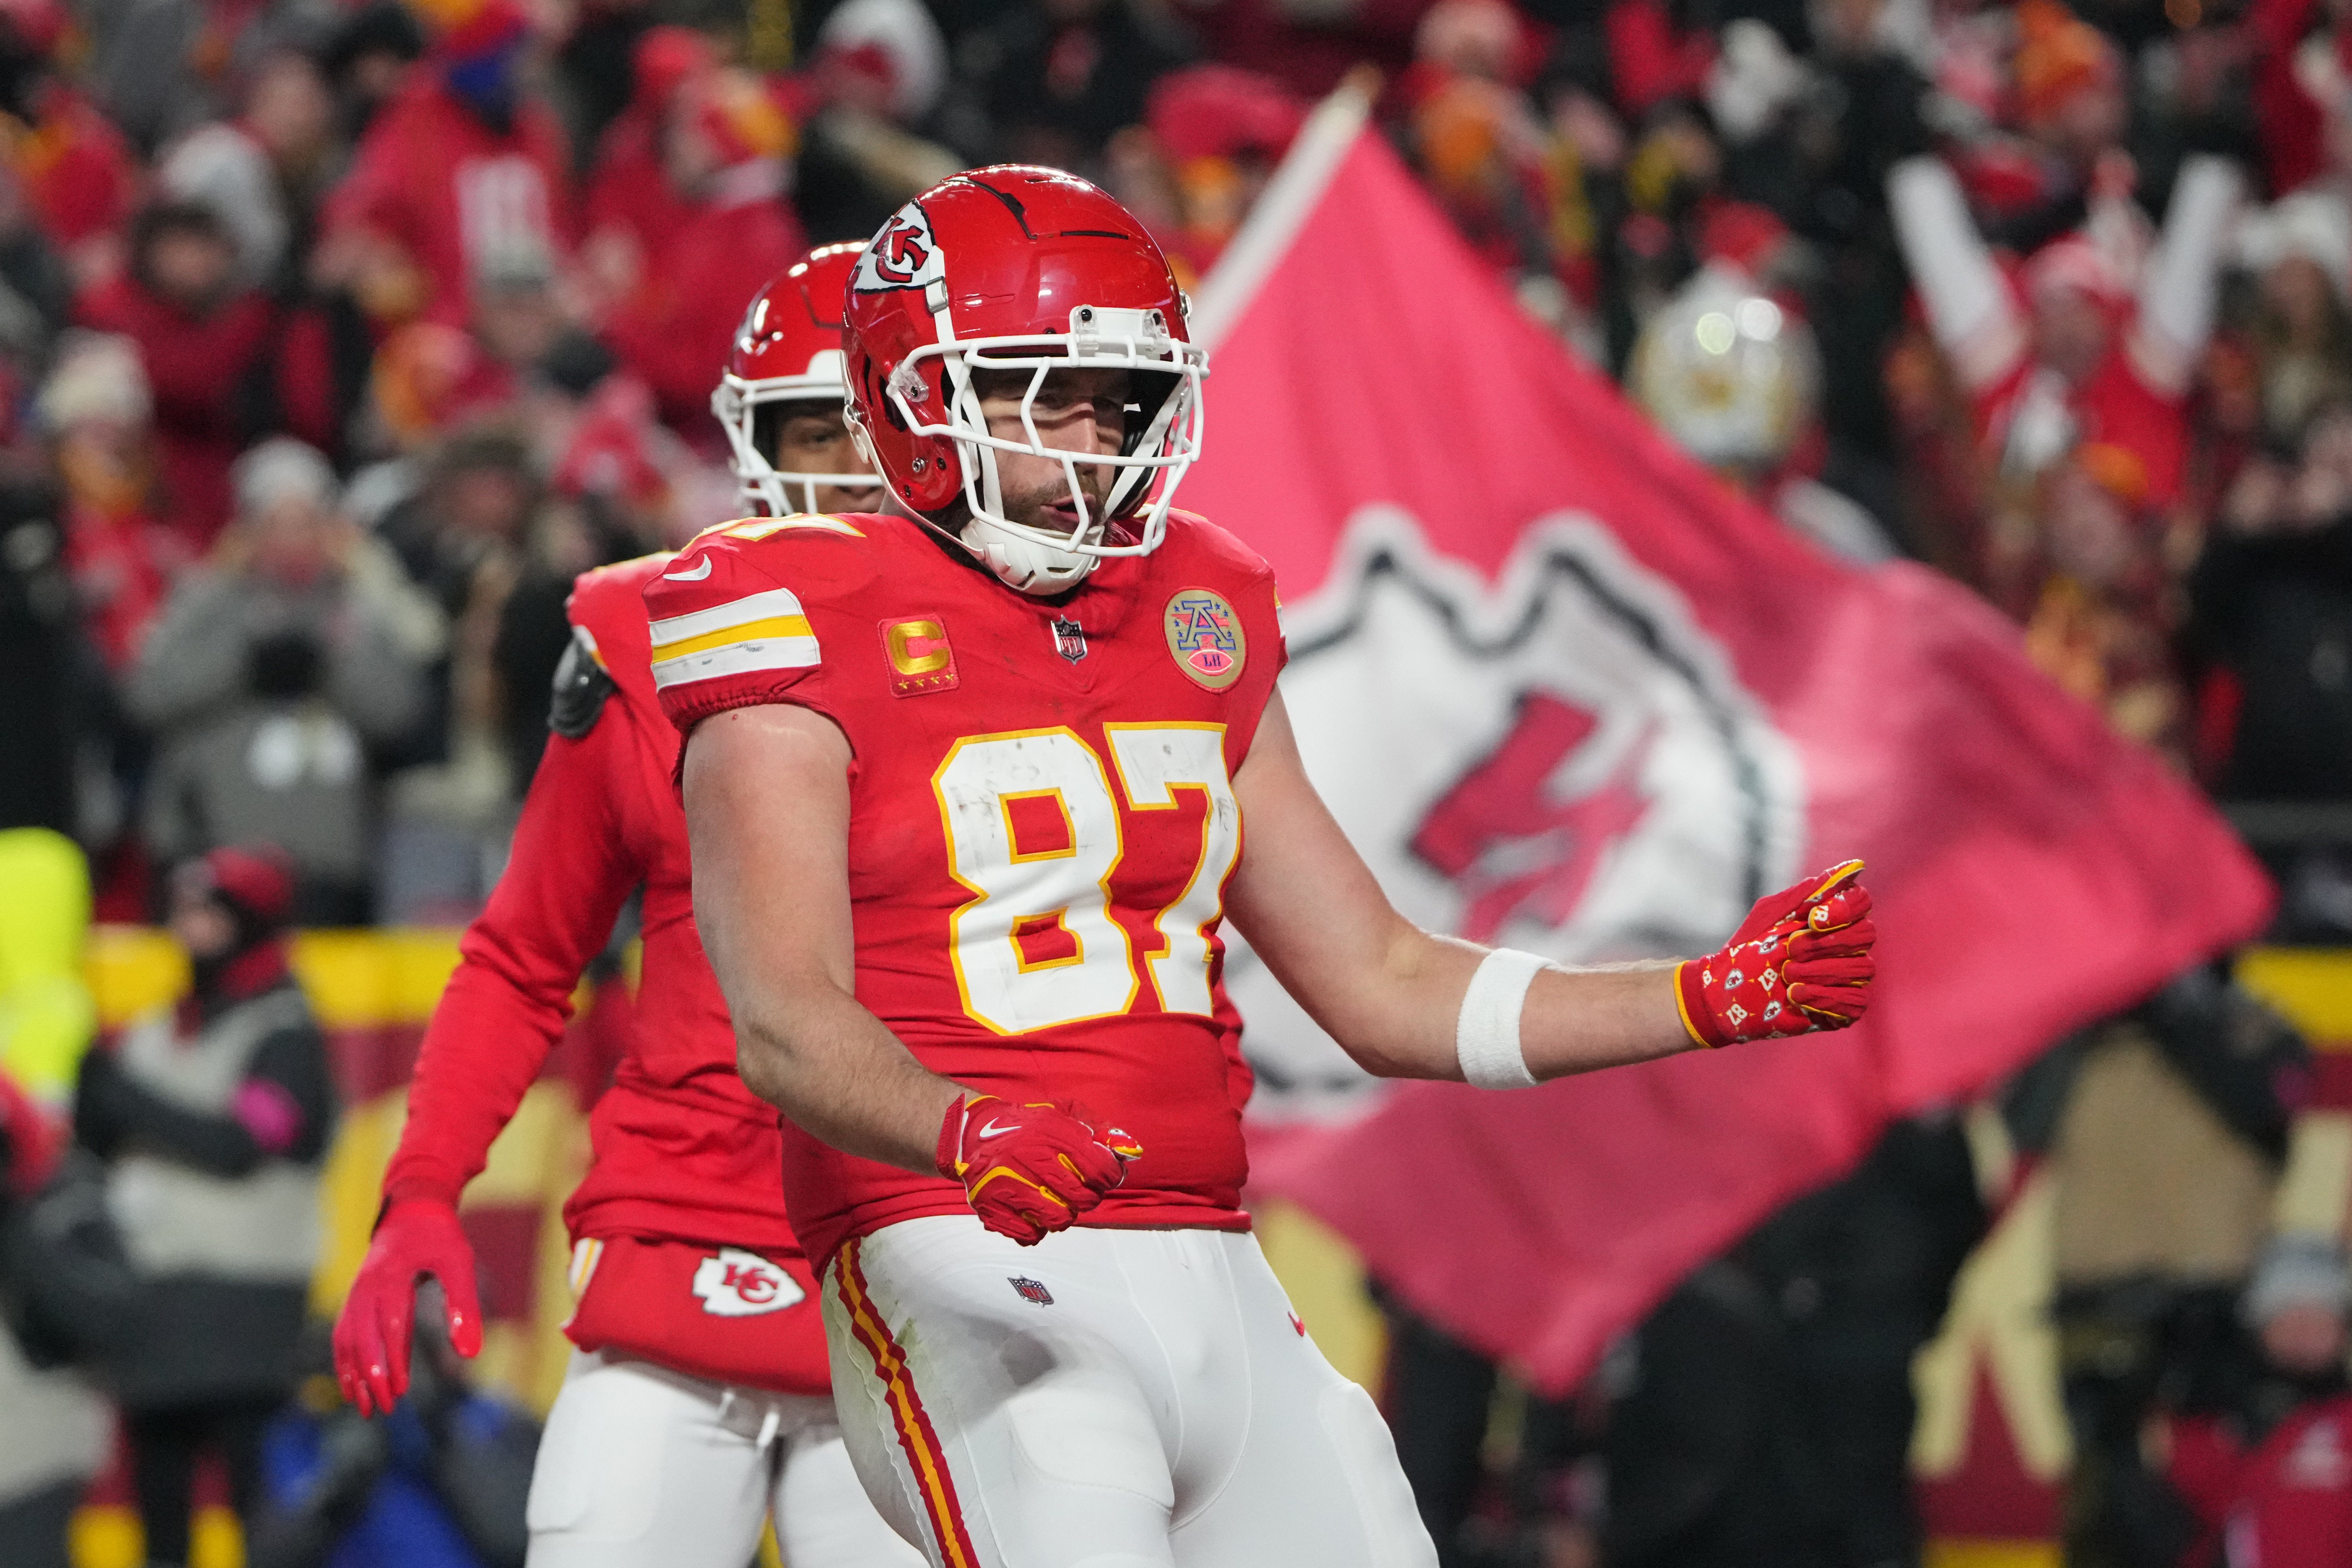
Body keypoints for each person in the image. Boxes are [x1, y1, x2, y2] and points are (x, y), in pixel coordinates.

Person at [650, 165, 1879, 1567]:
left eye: (1112, 405)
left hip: (1212, 1260)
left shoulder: (1194, 602)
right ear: (915, 398)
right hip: (955, 1247)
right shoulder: (790, 605)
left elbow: (1382, 980)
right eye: (1042, 395)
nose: (1091, 445)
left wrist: (1698, 998)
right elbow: (782, 1017)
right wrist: (961, 1126)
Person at [331, 246, 916, 1568]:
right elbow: (528, 950)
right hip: (681, 1226)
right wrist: (422, 1188)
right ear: (755, 443)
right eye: (815, 430)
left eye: (877, 427)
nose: (849, 469)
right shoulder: (652, 635)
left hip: (921, 1242)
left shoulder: (1030, 646)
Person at [75, 845, 337, 1568]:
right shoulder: (159, 1027)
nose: (188, 927)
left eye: (208, 913)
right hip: (157, 1299)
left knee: (262, 1507)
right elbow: (100, 1141)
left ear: (249, 922)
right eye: (182, 911)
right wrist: (91, 1094)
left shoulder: (283, 1030)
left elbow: (246, 1141)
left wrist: (128, 1100)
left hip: (245, 1305)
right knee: (160, 1511)